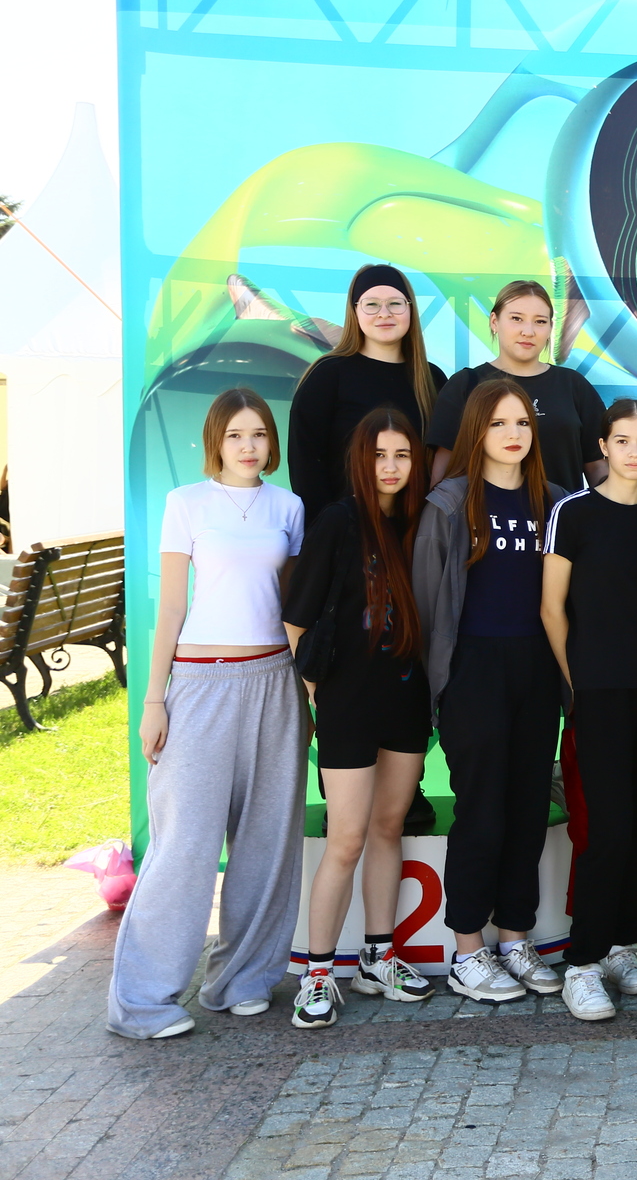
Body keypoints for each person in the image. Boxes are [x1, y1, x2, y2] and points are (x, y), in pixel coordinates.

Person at [109, 389, 306, 1039]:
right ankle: (142, 1003)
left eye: (259, 434)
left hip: (274, 680)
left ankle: (242, 979)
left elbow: (292, 606)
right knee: (185, 844)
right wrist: (154, 699)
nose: (248, 446)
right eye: (235, 435)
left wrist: (308, 692)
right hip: (200, 682)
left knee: (267, 840)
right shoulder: (186, 503)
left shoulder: (288, 507)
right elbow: (170, 608)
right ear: (214, 441)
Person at [414, 378, 568, 1004]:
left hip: (536, 669)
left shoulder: (554, 503)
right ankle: (467, 950)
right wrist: (439, 684)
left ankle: (515, 939)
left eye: (523, 423)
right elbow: (427, 605)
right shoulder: (449, 504)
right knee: (482, 810)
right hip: (472, 670)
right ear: (476, 432)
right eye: (499, 423)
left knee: (528, 808)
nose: (513, 434)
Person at [283, 409, 436, 1028]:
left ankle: (378, 957)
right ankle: (318, 974)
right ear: (360, 460)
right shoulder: (338, 522)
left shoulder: (421, 521)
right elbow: (296, 618)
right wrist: (318, 695)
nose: (391, 467)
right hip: (347, 702)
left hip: (406, 698)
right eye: (379, 455)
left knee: (388, 827)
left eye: (402, 455)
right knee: (346, 838)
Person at [539, 399, 637, 1021]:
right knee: (609, 828)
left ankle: (624, 944)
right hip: (597, 694)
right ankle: (583, 962)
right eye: (622, 440)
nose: (633, 451)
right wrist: (578, 679)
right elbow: (552, 608)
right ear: (603, 445)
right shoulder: (572, 513)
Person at [287, 264, 446, 526]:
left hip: (416, 535)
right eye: (371, 304)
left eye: (395, 303)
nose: (384, 313)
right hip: (347, 532)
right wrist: (326, 529)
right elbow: (306, 463)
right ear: (355, 311)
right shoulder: (328, 375)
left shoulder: (433, 380)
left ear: (410, 309)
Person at [427, 281, 606, 492]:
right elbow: (443, 473)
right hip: (483, 512)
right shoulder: (465, 384)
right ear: (494, 321)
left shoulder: (574, 385)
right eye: (516, 319)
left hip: (561, 512)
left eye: (540, 321)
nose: (528, 331)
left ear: (550, 327)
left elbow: (598, 466)